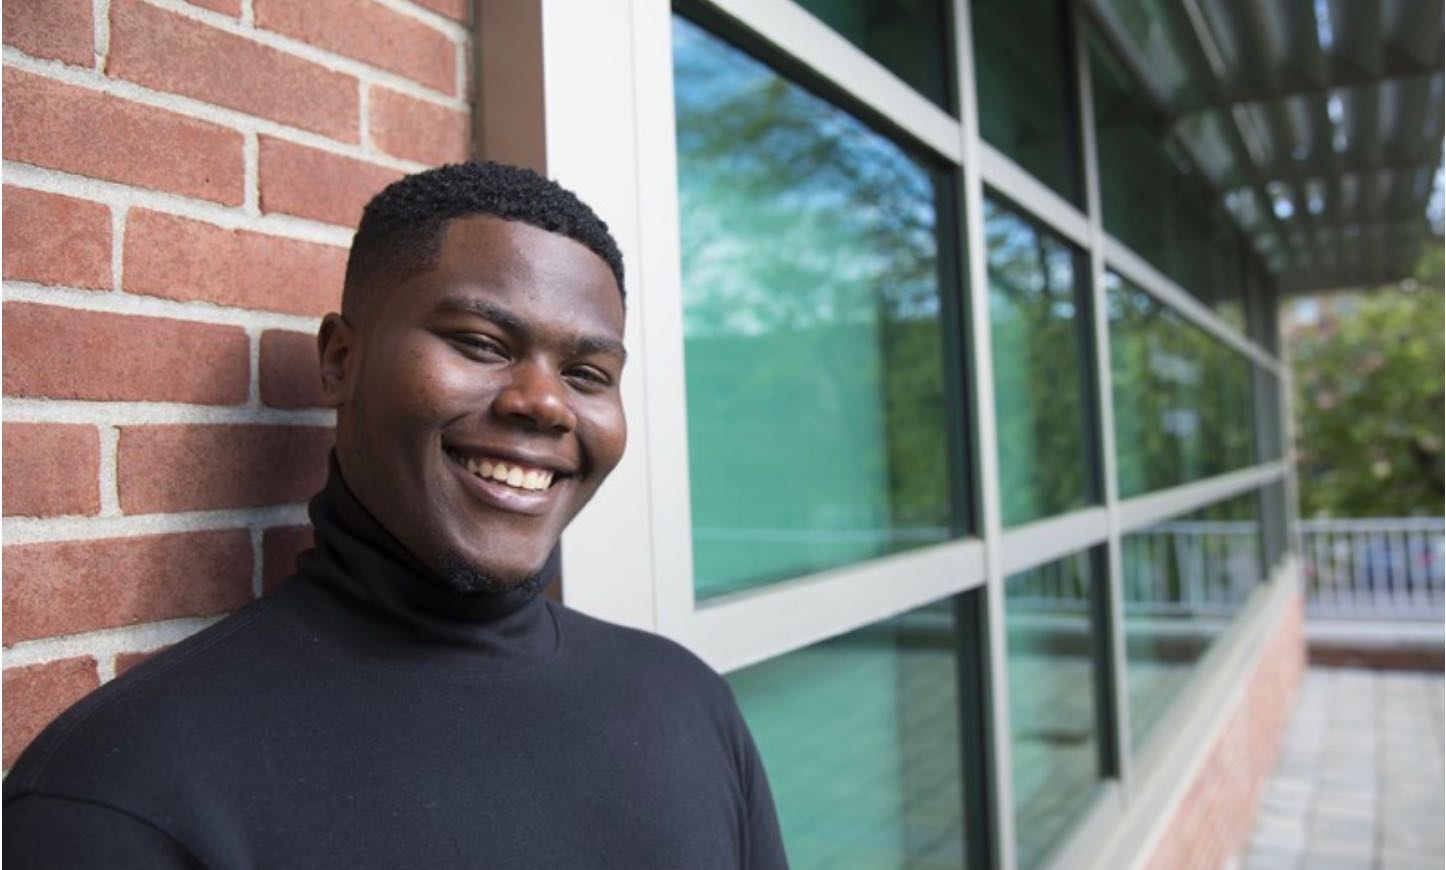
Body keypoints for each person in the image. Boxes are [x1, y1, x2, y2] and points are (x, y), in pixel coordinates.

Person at [3, 161, 788, 869]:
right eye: (481, 343)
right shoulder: (123, 791)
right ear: (341, 360)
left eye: (587, 373)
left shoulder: (688, 703)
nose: (545, 404)